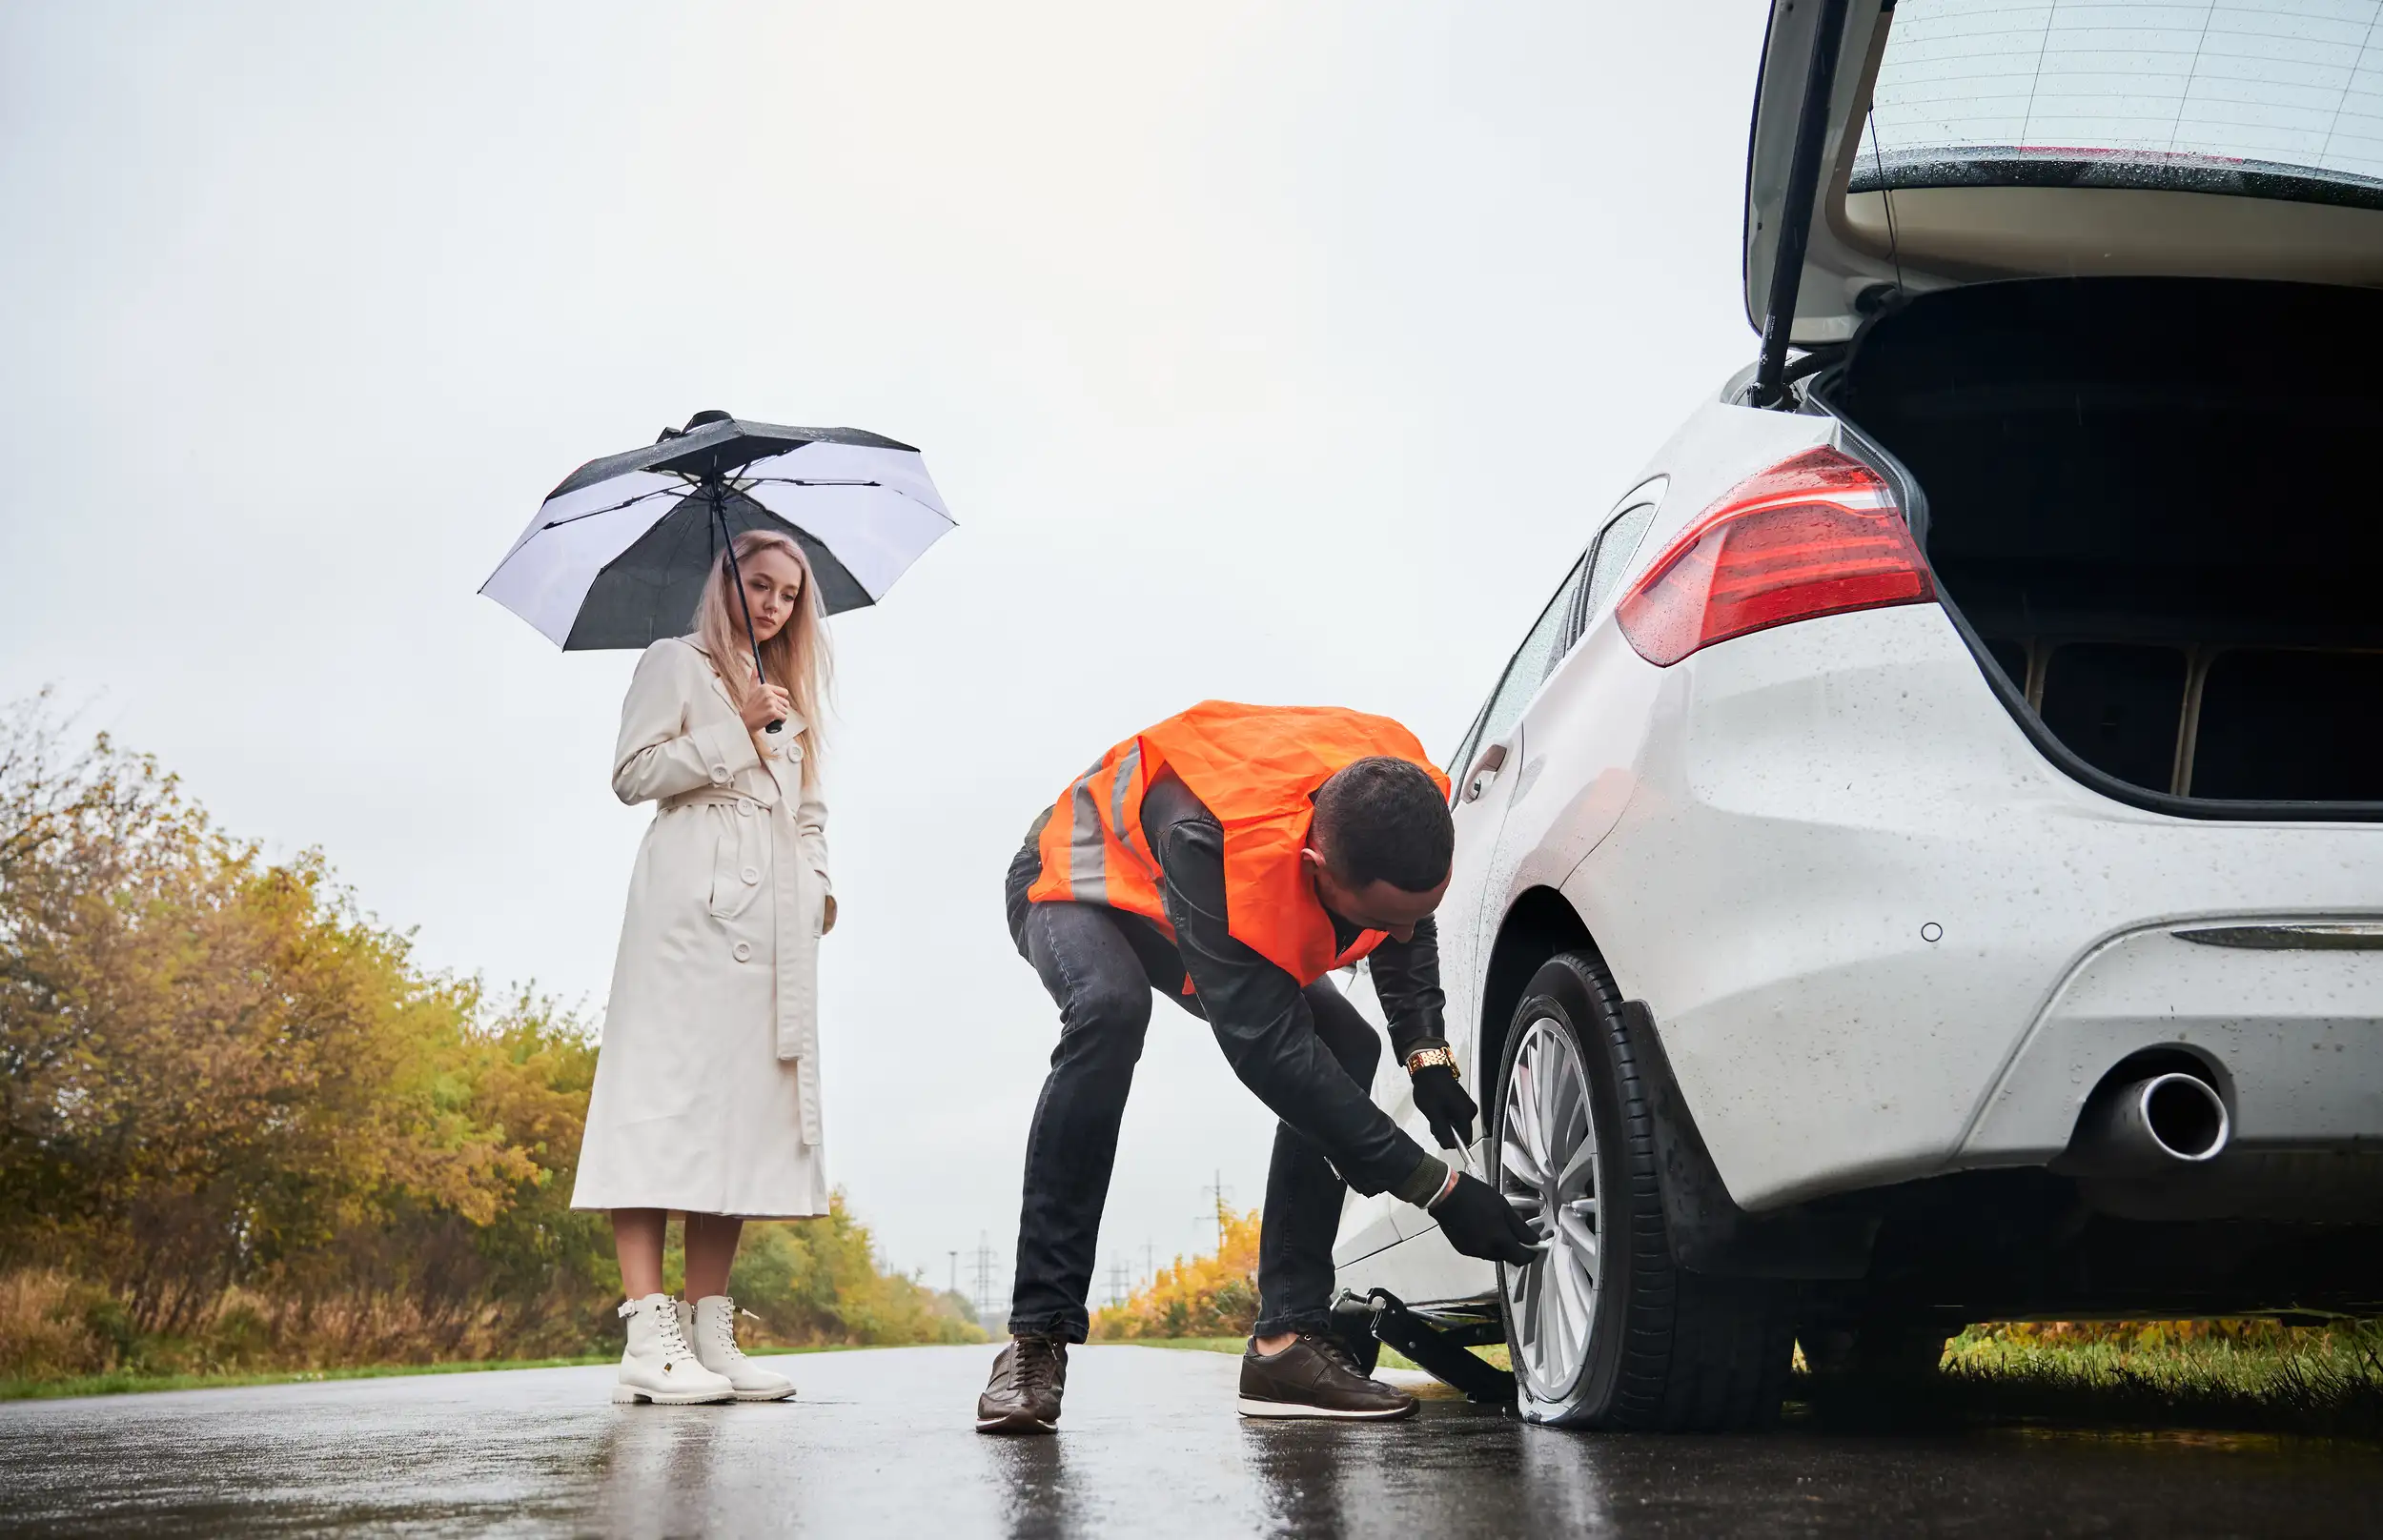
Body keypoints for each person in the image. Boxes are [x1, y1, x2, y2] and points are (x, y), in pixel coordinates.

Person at [976, 701, 1539, 1433]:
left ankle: (1286, 1344)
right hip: (1080, 878)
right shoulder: (1208, 837)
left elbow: (1404, 922)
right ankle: (1035, 1340)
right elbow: (1268, 1051)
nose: (1398, 935)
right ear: (1315, 865)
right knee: (1109, 1013)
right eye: (1382, 918)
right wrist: (1438, 1189)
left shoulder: (1398, 798)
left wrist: (1426, 1054)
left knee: (1349, 1046)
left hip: (1200, 879)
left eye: (1415, 913)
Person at [570, 529, 839, 1406]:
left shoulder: (787, 695)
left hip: (771, 928)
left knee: (736, 1115)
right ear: (725, 581)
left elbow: (809, 812)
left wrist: (819, 892)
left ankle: (709, 1330)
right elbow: (632, 772)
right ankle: (648, 1334)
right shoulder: (672, 663)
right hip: (687, 912)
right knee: (663, 1101)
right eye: (758, 585)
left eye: (788, 594)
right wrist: (735, 733)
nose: (772, 605)